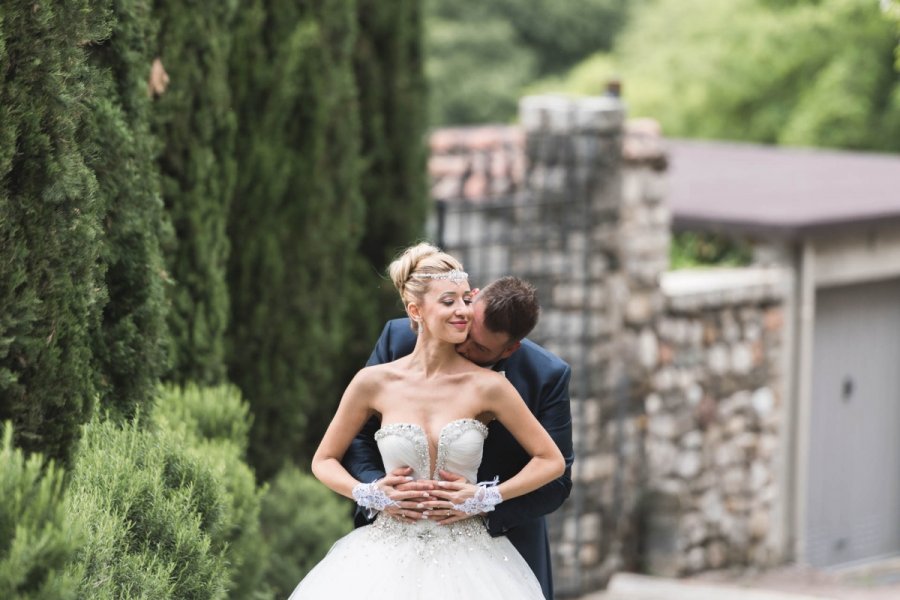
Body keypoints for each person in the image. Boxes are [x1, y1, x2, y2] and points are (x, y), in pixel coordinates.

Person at [288, 243, 565, 600]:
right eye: (448, 301)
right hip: (383, 557)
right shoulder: (372, 382)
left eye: (466, 299)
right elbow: (323, 460)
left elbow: (552, 461)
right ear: (415, 310)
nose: (463, 310)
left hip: (472, 562)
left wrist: (485, 496)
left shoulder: (490, 387)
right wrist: (370, 492)